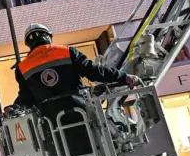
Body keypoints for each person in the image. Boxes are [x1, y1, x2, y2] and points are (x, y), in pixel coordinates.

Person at [13, 23, 142, 113]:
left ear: (28, 44)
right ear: (48, 36)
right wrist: (124, 77)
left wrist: (14, 107)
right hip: (81, 112)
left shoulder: (22, 68)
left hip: (52, 125)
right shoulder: (67, 51)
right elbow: (95, 72)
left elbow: (26, 97)